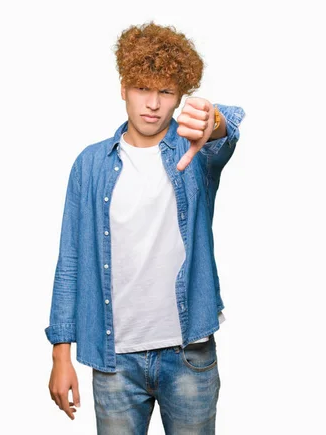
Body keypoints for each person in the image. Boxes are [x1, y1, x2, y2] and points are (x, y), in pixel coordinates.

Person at [45, 21, 245, 434]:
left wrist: (215, 122)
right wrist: (60, 355)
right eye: (141, 88)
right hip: (115, 359)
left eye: (166, 91)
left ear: (178, 97)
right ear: (123, 87)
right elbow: (71, 260)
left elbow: (225, 131)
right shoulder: (91, 164)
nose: (152, 103)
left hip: (189, 355)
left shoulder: (195, 155)